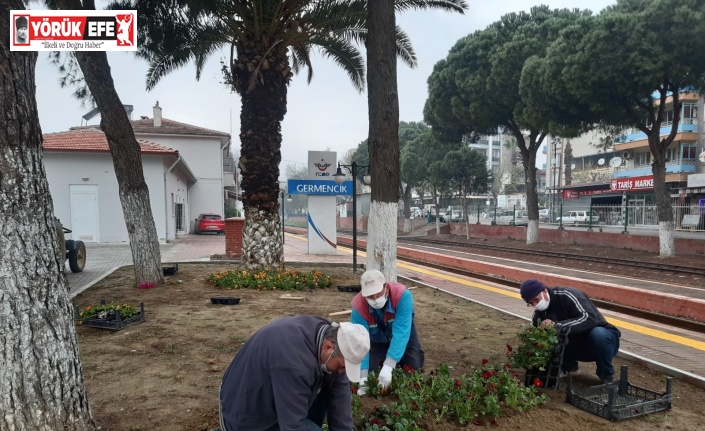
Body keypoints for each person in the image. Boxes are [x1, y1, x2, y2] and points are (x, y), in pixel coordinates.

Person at [218, 316, 370, 431]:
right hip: (246, 407)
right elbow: (293, 427)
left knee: (329, 380)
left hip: (282, 387)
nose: (342, 372)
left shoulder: (333, 341)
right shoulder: (293, 362)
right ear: (328, 347)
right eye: (342, 366)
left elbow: (340, 408)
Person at [520, 279, 621, 383]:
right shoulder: (539, 313)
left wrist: (558, 326)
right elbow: (534, 334)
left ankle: (606, 376)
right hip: (578, 346)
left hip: (602, 343)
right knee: (550, 338)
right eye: (531, 303)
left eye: (536, 299)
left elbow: (590, 318)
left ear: (545, 291)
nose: (535, 304)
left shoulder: (568, 295)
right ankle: (570, 367)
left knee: (598, 334)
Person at [351, 269, 424, 394]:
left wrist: (389, 365)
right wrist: (362, 377)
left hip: (403, 333)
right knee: (371, 372)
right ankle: (387, 358)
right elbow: (360, 342)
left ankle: (394, 359)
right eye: (370, 296)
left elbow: (401, 332)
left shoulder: (402, 296)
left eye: (378, 294)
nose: (375, 299)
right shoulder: (358, 307)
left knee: (414, 366)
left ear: (386, 288)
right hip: (377, 340)